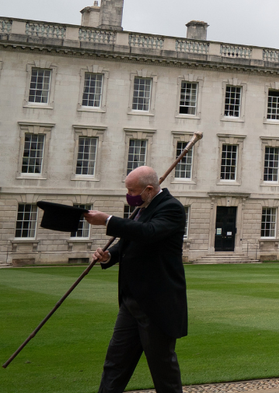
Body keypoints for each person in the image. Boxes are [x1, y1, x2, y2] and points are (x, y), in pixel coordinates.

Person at [83, 166, 188, 393]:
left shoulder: (172, 208)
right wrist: (110, 255)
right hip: (131, 302)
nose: (128, 195)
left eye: (132, 190)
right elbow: (131, 242)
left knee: (163, 371)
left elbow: (148, 233)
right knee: (115, 364)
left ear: (149, 189)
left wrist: (108, 220)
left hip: (157, 304)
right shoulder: (142, 207)